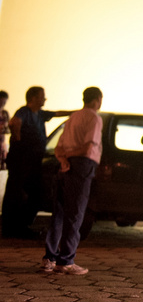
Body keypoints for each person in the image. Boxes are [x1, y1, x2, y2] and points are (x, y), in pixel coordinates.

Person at [41, 86, 104, 275]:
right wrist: (71, 156)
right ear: (97, 100)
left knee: (59, 212)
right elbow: (87, 147)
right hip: (82, 166)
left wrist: (64, 160)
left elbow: (58, 147)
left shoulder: (73, 117)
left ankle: (50, 257)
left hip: (65, 166)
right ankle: (66, 260)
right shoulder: (94, 118)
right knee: (75, 213)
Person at [3, 86, 72, 239]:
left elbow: (57, 113)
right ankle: (13, 227)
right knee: (18, 192)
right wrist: (19, 139)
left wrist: (77, 112)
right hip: (22, 160)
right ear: (33, 98)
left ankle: (21, 226)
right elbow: (15, 123)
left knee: (33, 193)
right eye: (42, 96)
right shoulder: (24, 112)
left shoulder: (40, 114)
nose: (44, 99)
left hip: (33, 160)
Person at [0, 90, 9, 171]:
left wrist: (5, 129)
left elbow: (9, 129)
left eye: (4, 102)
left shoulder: (5, 113)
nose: (2, 104)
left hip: (2, 143)